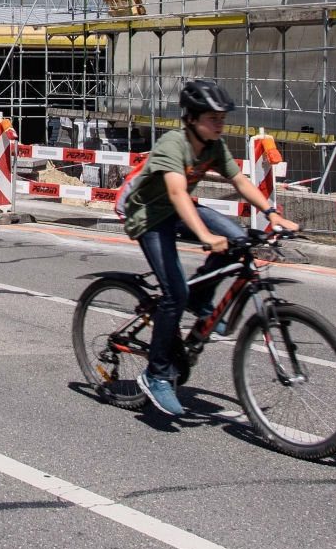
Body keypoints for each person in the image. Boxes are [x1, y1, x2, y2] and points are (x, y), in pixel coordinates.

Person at [116, 78, 298, 417]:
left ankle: (201, 298)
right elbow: (176, 193)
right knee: (174, 295)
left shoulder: (213, 145)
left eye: (222, 118)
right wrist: (204, 234)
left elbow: (241, 181)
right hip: (149, 215)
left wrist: (273, 214)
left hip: (178, 209)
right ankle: (155, 375)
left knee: (236, 239)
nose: (220, 123)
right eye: (213, 117)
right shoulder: (174, 143)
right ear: (192, 118)